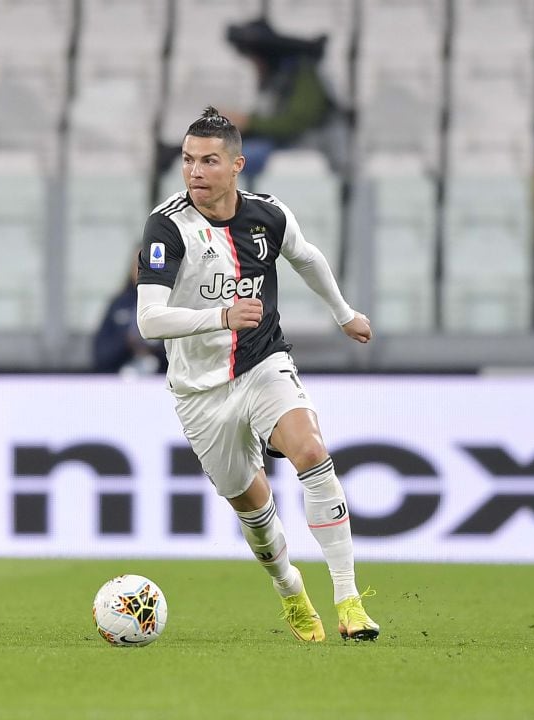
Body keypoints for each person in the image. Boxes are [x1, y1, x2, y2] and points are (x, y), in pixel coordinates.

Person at [136, 107, 379, 643]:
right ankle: (291, 590)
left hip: (263, 362)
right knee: (253, 505)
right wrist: (219, 316)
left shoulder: (267, 216)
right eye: (187, 160)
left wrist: (344, 314)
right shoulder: (167, 226)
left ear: (237, 165)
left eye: (209, 161)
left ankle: (349, 600)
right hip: (200, 390)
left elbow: (308, 258)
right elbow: (148, 319)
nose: (195, 172)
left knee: (311, 450)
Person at [220, 17, 338, 178]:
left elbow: (296, 120)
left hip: (317, 157)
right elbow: (268, 116)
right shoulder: (278, 78)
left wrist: (248, 122)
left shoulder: (302, 73)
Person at [93, 259, 168, 375]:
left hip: (165, 380)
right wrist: (127, 341)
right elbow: (100, 354)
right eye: (139, 265)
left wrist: (157, 345)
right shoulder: (118, 304)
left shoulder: (175, 303)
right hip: (120, 381)